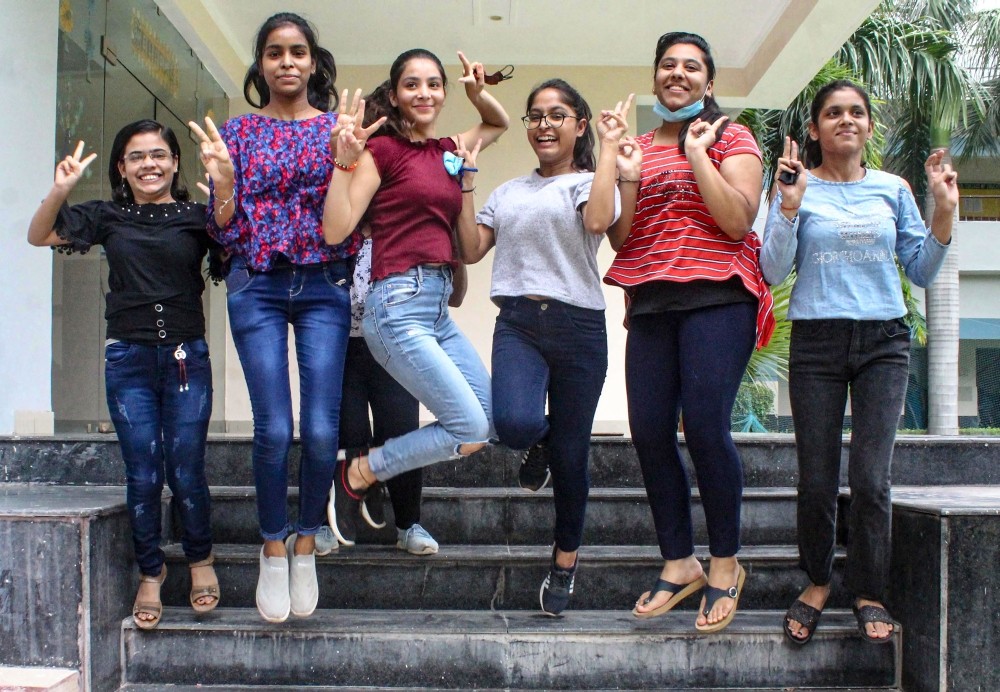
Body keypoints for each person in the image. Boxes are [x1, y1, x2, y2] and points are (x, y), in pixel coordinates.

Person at [760, 79, 957, 645]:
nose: (845, 120)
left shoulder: (892, 189)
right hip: (817, 342)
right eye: (832, 113)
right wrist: (789, 209)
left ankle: (868, 590)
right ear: (817, 128)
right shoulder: (795, 188)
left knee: (871, 479)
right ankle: (819, 582)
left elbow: (920, 270)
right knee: (817, 479)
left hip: (883, 342)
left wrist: (942, 211)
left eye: (856, 112)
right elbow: (773, 271)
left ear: (869, 126)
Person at [188, 12, 359, 623]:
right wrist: (226, 185)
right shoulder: (236, 132)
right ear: (260, 64)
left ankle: (307, 541)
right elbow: (221, 226)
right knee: (272, 427)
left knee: (319, 429)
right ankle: (271, 544)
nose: (287, 62)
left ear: (314, 62)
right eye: (274, 53)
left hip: (323, 283)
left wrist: (345, 159)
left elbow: (353, 214)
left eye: (298, 52)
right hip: (256, 282)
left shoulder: (337, 131)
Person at [604, 31, 773, 633]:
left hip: (717, 297)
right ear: (655, 77)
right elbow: (623, 240)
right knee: (649, 431)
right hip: (651, 300)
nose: (678, 74)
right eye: (668, 65)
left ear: (708, 81)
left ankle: (725, 563)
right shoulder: (639, 146)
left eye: (692, 67)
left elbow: (736, 221)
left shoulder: (732, 136)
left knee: (703, 426)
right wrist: (625, 176)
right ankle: (680, 563)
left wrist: (699, 153)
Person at [27, 121, 220, 630]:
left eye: (159, 155)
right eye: (136, 157)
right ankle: (151, 573)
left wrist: (227, 194)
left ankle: (201, 561)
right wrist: (61, 189)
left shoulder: (196, 217)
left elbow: (237, 248)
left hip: (185, 358)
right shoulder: (107, 216)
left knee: (185, 468)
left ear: (176, 163)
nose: (149, 164)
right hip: (128, 359)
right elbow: (40, 234)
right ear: (121, 167)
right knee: (142, 473)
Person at [456, 79, 629, 615]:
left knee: (574, 457)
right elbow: (469, 247)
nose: (544, 124)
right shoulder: (508, 192)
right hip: (520, 323)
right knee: (511, 423)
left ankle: (565, 562)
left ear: (579, 124)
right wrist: (466, 179)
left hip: (579, 327)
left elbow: (600, 221)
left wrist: (606, 150)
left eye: (558, 115)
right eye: (535, 116)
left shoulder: (589, 183)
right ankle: (545, 441)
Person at [322, 48, 508, 540]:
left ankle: (364, 471)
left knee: (488, 421)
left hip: (436, 306)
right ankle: (360, 472)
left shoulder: (448, 149)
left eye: (433, 84)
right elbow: (337, 230)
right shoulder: (382, 152)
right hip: (396, 303)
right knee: (466, 426)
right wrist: (344, 163)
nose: (424, 93)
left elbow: (498, 123)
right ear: (397, 95)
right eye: (412, 84)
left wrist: (478, 92)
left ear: (444, 93)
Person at [332, 219, 467, 555]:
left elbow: (457, 296)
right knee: (348, 430)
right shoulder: (339, 224)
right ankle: (332, 520)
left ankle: (409, 524)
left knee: (400, 429)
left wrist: (452, 245)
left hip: (394, 343)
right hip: (341, 345)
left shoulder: (404, 227)